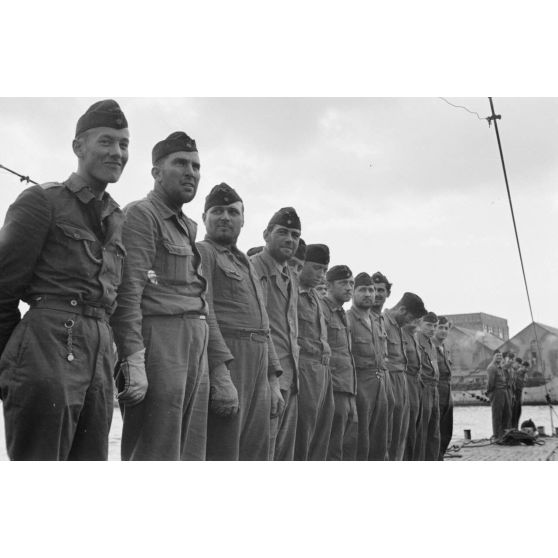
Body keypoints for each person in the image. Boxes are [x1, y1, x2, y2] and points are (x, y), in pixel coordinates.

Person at [0, 99, 129, 460]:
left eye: (123, 144)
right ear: (78, 147)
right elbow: (2, 291)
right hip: (46, 349)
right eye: (106, 141)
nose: (117, 152)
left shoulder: (116, 218)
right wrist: (16, 364)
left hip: (101, 358)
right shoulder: (41, 202)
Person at [111, 132, 234, 460]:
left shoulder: (187, 226)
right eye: (180, 163)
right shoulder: (141, 215)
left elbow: (201, 300)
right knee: (156, 452)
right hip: (161, 344)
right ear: (155, 171)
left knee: (190, 452)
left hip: (194, 345)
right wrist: (133, 360)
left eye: (196, 165)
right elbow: (128, 294)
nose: (191, 172)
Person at [197, 183, 281, 460]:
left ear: (243, 220)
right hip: (231, 359)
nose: (225, 217)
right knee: (223, 449)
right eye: (217, 211)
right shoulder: (203, 253)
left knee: (255, 451)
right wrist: (220, 374)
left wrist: (272, 378)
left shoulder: (245, 262)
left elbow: (263, 321)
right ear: (204, 217)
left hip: (257, 363)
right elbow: (205, 311)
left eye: (233, 212)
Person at [251, 207, 301, 460]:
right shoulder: (255, 268)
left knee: (282, 456)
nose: (290, 239)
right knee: (263, 454)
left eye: (295, 234)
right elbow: (261, 327)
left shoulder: (290, 275)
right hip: (267, 377)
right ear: (266, 234)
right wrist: (271, 377)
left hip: (290, 380)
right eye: (282, 232)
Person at [294, 244, 335, 460]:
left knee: (320, 436)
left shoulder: (316, 298)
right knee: (302, 435)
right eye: (317, 268)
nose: (322, 275)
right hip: (302, 370)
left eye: (325, 270)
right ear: (302, 265)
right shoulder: (291, 293)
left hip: (321, 373)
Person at [348, 272, 389, 460]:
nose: (368, 294)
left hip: (379, 385)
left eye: (371, 290)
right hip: (359, 385)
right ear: (353, 292)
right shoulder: (347, 319)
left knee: (380, 441)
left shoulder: (376, 321)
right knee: (359, 441)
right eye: (362, 290)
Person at [383, 292, 427, 460]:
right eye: (410, 318)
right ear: (402, 310)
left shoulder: (397, 326)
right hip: (390, 383)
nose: (410, 323)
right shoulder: (383, 323)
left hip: (402, 384)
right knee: (389, 436)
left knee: (401, 435)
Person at [321, 265, 358, 460]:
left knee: (348, 447)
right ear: (328, 285)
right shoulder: (322, 309)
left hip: (348, 388)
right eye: (343, 283)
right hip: (333, 389)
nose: (349, 288)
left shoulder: (341, 313)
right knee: (333, 449)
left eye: (351, 283)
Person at [370, 271, 395, 459]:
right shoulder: (361, 317)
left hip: (385, 378)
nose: (377, 294)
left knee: (385, 433)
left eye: (381, 290)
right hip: (368, 381)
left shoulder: (384, 321)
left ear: (388, 294)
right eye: (373, 289)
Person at [415, 312, 440, 460]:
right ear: (420, 324)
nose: (432, 329)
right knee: (422, 430)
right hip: (423, 387)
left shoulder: (431, 343)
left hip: (434, 388)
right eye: (429, 325)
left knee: (434, 431)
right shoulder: (417, 339)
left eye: (435, 326)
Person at [402, 315, 427, 460]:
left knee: (417, 428)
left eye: (418, 318)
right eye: (414, 316)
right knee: (408, 428)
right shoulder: (402, 334)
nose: (416, 320)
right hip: (406, 382)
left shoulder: (415, 337)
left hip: (417, 385)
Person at [433, 315, 454, 459]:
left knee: (447, 431)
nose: (443, 331)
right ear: (434, 328)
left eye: (446, 328)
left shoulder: (444, 348)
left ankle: (440, 455)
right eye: (440, 327)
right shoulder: (430, 347)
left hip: (447, 393)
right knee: (434, 431)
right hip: (436, 393)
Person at [486, 350, 512, 439]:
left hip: (504, 392)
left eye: (500, 356)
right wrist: (490, 393)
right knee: (497, 415)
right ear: (493, 356)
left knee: (507, 413)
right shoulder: (491, 368)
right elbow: (490, 383)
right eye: (497, 356)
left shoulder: (500, 367)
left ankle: (504, 434)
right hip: (497, 392)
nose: (499, 358)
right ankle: (497, 436)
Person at [511, 358, 529, 429]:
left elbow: (522, 386)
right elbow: (515, 385)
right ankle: (514, 428)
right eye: (525, 367)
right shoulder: (518, 373)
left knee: (518, 412)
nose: (527, 369)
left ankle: (516, 428)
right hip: (516, 395)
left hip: (519, 394)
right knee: (515, 413)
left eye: (527, 368)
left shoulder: (524, 374)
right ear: (523, 366)